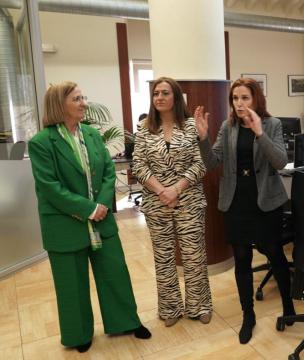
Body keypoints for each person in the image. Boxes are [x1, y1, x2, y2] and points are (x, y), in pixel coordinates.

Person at [29, 81, 151, 352]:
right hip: (64, 224)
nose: (84, 103)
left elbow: (108, 170)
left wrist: (101, 204)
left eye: (83, 97)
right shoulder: (41, 143)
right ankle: (78, 334)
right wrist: (89, 208)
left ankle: (125, 321)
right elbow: (50, 187)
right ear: (59, 105)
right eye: (77, 99)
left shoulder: (91, 135)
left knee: (115, 272)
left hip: (101, 218)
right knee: (71, 283)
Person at [195, 77, 295, 344]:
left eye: (245, 98)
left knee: (275, 254)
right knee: (242, 260)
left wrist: (260, 132)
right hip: (237, 201)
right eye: (235, 99)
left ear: (256, 99)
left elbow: (280, 162)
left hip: (265, 201)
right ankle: (247, 315)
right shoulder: (228, 127)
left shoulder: (272, 125)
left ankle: (288, 305)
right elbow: (212, 162)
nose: (239, 103)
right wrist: (203, 138)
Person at [132, 77, 212, 327]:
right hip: (157, 204)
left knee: (193, 255)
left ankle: (200, 306)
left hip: (189, 201)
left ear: (176, 98)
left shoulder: (191, 126)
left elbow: (201, 164)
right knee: (163, 257)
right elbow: (138, 164)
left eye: (165, 93)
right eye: (156, 93)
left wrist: (176, 189)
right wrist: (161, 190)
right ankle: (170, 309)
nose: (160, 98)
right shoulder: (144, 128)